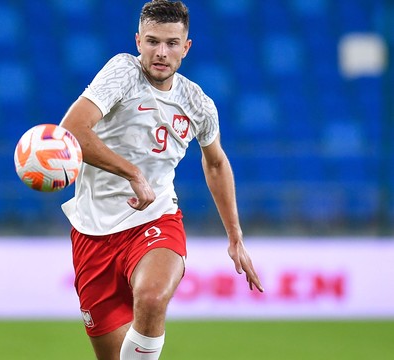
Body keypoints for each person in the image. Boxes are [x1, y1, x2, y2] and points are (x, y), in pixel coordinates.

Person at [58, 1, 264, 359]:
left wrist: (235, 237)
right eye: (152, 41)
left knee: (152, 297)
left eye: (171, 43)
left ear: (186, 47)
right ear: (138, 41)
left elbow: (215, 163)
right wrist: (133, 173)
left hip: (155, 221)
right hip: (93, 234)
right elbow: (72, 131)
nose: (161, 52)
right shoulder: (123, 72)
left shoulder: (197, 103)